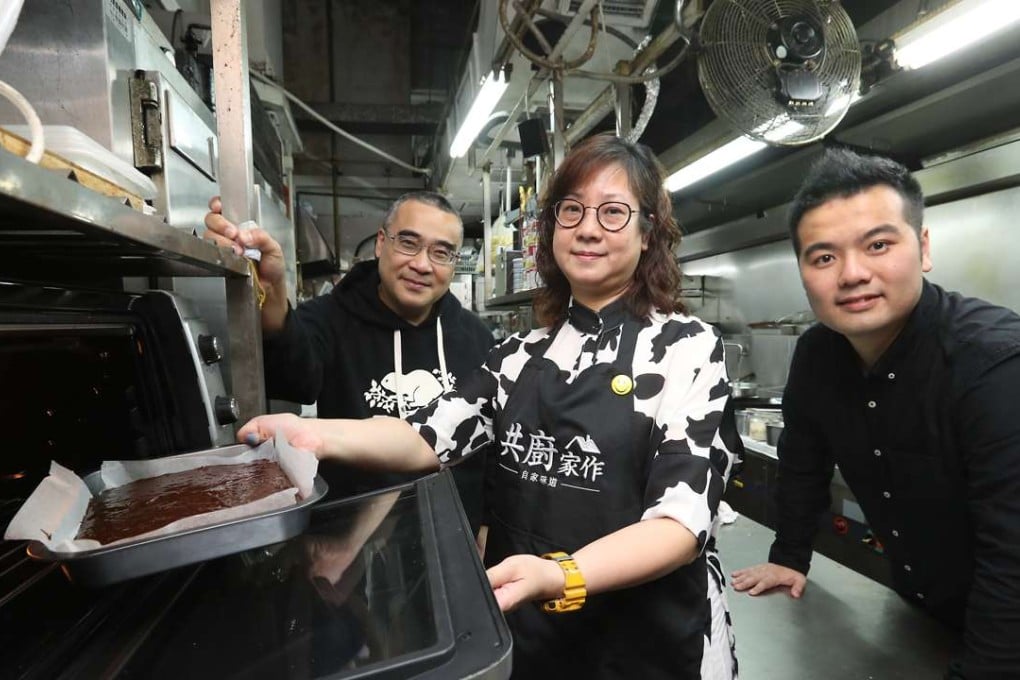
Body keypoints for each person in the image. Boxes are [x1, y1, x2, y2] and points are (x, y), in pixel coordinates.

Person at [236, 133, 742, 678]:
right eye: (571, 210)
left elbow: (679, 525)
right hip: (530, 635)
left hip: (646, 641)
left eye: (614, 212)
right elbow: (425, 436)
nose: (589, 228)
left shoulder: (686, 348)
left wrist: (563, 576)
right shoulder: (519, 354)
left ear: (648, 235)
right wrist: (314, 435)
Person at [730, 148, 1020, 678]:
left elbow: (1013, 553)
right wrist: (789, 556)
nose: (853, 274)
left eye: (878, 245)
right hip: (930, 614)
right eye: (823, 257)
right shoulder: (819, 354)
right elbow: (802, 464)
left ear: (924, 247)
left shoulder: (994, 364)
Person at [203, 191, 494, 532]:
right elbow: (294, 375)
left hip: (453, 535)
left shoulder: (476, 337)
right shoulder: (333, 317)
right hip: (351, 544)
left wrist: (484, 530)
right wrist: (272, 289)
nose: (422, 264)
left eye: (441, 252)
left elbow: (489, 448)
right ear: (381, 243)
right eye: (409, 243)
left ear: (453, 263)